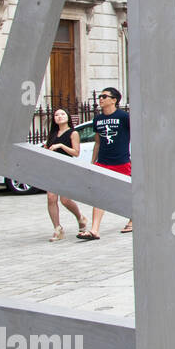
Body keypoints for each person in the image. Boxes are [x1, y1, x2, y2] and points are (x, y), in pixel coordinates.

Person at [80, 87, 132, 240]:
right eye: (99, 97)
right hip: (103, 161)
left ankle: (133, 219)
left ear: (114, 100)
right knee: (99, 195)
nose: (100, 99)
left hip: (122, 161)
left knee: (127, 193)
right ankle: (94, 230)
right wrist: (93, 161)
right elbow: (97, 142)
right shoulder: (97, 119)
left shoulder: (124, 117)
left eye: (104, 96)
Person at [42, 108, 87, 241]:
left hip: (67, 168)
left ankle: (80, 218)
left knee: (65, 200)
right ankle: (57, 229)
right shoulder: (53, 134)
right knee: (51, 198)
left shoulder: (73, 133)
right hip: (53, 169)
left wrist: (61, 145)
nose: (59, 116)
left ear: (67, 117)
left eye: (62, 114)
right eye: (56, 115)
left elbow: (76, 152)